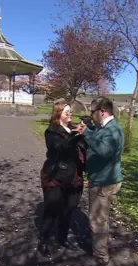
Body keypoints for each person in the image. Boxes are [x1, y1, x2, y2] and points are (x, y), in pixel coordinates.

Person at [75, 96, 125, 266]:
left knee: (97, 220)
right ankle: (101, 248)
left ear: (102, 112)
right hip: (104, 179)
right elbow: (98, 140)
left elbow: (104, 151)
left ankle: (101, 257)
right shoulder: (104, 127)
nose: (90, 114)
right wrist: (88, 130)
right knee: (101, 217)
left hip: (104, 182)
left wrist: (87, 133)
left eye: (92, 111)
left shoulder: (113, 130)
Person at [38, 98, 87, 257]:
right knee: (52, 209)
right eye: (67, 112)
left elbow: (83, 150)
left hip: (75, 176)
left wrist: (84, 134)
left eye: (70, 111)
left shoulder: (73, 129)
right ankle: (43, 240)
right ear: (58, 114)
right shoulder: (52, 131)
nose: (70, 114)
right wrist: (77, 136)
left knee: (69, 208)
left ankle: (62, 237)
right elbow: (60, 148)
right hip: (56, 176)